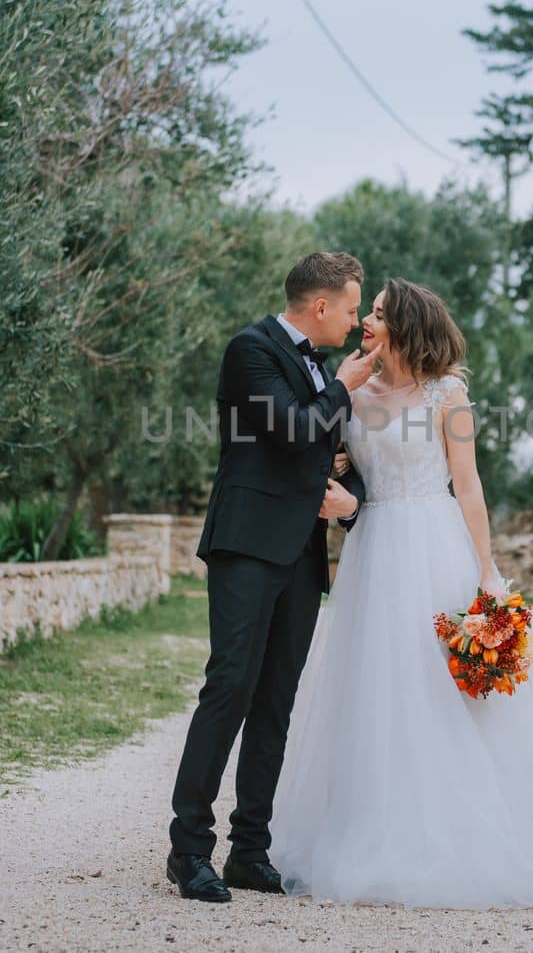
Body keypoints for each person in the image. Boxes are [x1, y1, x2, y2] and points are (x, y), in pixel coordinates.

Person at [267, 277, 533, 909]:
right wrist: (344, 491)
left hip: (434, 546)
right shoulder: (350, 391)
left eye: (378, 314)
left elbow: (469, 485)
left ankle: (470, 830)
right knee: (377, 686)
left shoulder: (446, 392)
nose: (366, 322)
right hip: (374, 549)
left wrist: (487, 572)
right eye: (365, 312)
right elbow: (333, 467)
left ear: (407, 324)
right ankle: (378, 825)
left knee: (445, 686)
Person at [166, 252, 381, 903]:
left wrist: (356, 498)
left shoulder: (320, 368)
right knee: (229, 687)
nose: (352, 322)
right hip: (248, 545)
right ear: (320, 307)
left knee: (276, 702)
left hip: (303, 555)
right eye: (349, 309)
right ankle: (189, 851)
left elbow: (334, 460)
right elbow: (293, 432)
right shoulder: (250, 351)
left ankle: (248, 851)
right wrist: (344, 386)